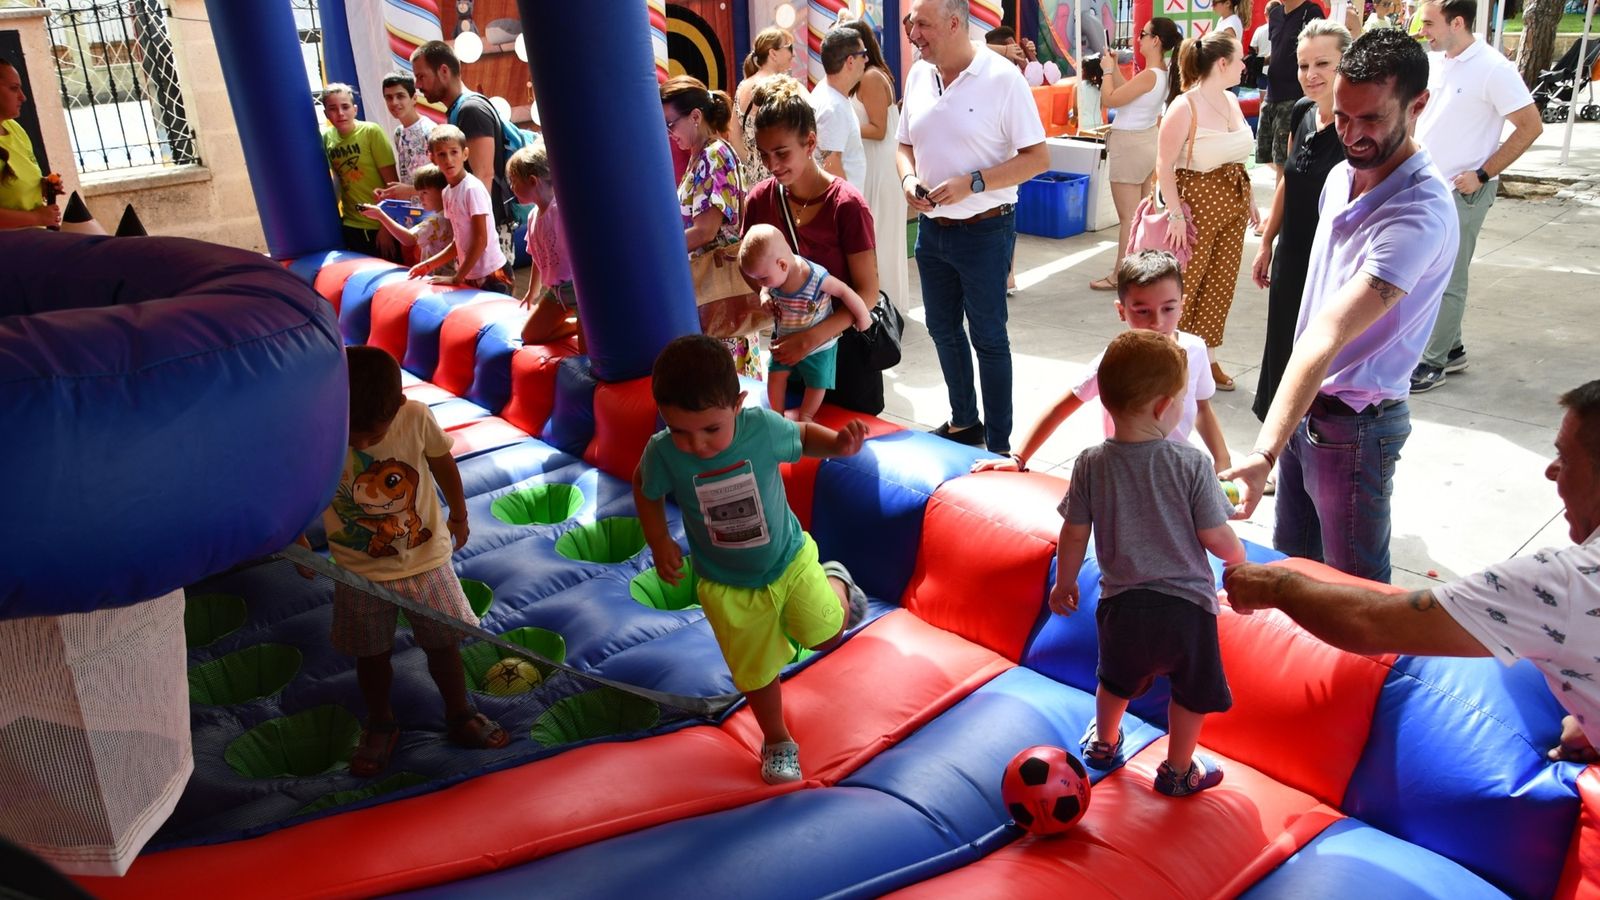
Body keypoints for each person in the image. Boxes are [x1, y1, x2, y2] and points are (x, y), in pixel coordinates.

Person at [1224, 380, 1600, 764]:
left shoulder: (1563, 585)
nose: (1551, 472)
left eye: (1566, 459)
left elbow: (1371, 623)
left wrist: (1277, 586)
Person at [1222, 28, 1459, 584]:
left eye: (1370, 119)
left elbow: (1327, 333)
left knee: (1355, 589)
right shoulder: (1339, 174)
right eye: (1343, 116)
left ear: (1418, 104)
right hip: (1309, 409)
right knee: (1293, 569)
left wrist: (1262, 453)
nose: (1351, 134)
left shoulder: (1417, 213)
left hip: (1356, 428)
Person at [633, 335, 869, 784]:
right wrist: (659, 538)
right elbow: (644, 487)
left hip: (789, 559)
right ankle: (778, 739)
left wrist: (837, 445)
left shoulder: (759, 428)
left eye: (710, 429)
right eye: (679, 430)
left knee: (824, 636)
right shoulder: (664, 453)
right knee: (755, 669)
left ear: (737, 404)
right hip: (727, 585)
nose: (697, 444)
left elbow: (801, 436)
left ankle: (836, 580)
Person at [1050, 329, 1246, 796]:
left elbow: (1073, 531)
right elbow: (1214, 535)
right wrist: (1239, 562)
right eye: (1182, 399)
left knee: (1113, 679)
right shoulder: (1191, 463)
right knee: (1189, 692)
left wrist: (1065, 581)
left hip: (1122, 606)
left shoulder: (1090, 463)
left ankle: (1104, 742)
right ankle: (1178, 770)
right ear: (1163, 407)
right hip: (1188, 609)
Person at [296, 345, 508, 777]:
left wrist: (460, 513)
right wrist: (298, 539)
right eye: (351, 434)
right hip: (358, 570)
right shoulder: (322, 430)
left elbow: (443, 463)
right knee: (370, 655)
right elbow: (297, 490)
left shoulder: (415, 417)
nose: (359, 444)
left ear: (397, 407)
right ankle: (381, 723)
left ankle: (459, 712)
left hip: (426, 560)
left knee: (443, 645)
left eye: (371, 437)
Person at [899, 0, 1049, 454]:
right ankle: (965, 422)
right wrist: (908, 177)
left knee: (988, 337)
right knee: (943, 329)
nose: (913, 34)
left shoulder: (1003, 80)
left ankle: (999, 446)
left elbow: (1038, 158)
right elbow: (903, 142)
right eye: (910, 24)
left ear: (954, 23)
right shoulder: (919, 74)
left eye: (921, 24)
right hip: (933, 232)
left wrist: (975, 183)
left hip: (986, 231)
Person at [976, 250, 1232, 475]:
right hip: (1125, 471)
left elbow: (1202, 409)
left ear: (1182, 306)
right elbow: (1061, 407)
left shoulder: (1195, 350)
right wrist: (1019, 458)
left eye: (1168, 308)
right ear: (1121, 311)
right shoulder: (1114, 362)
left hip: (1178, 469)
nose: (1157, 322)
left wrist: (1223, 461)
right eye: (1142, 311)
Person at [1408, 0, 1542, 394]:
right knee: (1431, 273)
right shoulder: (1439, 61)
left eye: (1429, 23)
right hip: (1429, 187)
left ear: (1458, 22)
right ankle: (1451, 349)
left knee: (1448, 278)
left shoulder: (1493, 68)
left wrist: (1483, 173)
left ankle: (1432, 363)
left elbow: (1529, 126)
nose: (1423, 31)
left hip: (1462, 191)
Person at [744, 77, 885, 414]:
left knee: (847, 459)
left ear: (810, 143)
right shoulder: (759, 201)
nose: (772, 165)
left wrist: (811, 338)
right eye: (764, 155)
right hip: (788, 359)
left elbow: (867, 292)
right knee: (791, 447)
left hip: (844, 357)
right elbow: (749, 268)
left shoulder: (847, 205)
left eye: (781, 153)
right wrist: (764, 292)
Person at [1251, 20, 1352, 422]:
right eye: (1303, 64)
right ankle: (1277, 450)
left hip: (1333, 261)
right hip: (1293, 256)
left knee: (1318, 358)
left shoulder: (1359, 129)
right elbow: (1288, 181)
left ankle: (1307, 445)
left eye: (1323, 64)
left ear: (1348, 63)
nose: (1311, 75)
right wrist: (1266, 242)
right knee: (1282, 348)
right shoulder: (1302, 112)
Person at [1156, 32, 1257, 391]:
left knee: (1220, 286)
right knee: (1186, 287)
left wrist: (1251, 201)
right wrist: (1176, 214)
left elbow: (1238, 158)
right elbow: (1164, 164)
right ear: (1223, 63)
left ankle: (1207, 357)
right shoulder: (1185, 106)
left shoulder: (1231, 100)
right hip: (1195, 207)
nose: (1246, 65)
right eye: (1241, 59)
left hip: (1231, 204)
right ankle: (1170, 359)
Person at [662, 75, 759, 380]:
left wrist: (659, 253)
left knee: (722, 382)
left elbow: (705, 231)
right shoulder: (700, 155)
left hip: (715, 286)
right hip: (705, 284)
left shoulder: (714, 155)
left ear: (695, 117)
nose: (668, 133)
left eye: (671, 123)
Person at [738, 223, 872, 422]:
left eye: (763, 279)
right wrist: (764, 295)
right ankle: (777, 416)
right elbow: (765, 288)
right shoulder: (774, 275)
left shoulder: (816, 277)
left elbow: (844, 291)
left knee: (818, 382)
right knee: (776, 376)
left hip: (819, 346)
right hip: (785, 340)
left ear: (783, 264)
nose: (760, 284)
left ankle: (806, 415)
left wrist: (863, 316)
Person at [1088, 17, 1182, 292]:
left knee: (1129, 216)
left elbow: (1111, 99)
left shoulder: (1152, 74)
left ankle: (1121, 273)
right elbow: (1124, 93)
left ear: (1155, 41)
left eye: (1143, 34)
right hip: (1145, 142)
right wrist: (1114, 68)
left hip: (1129, 143)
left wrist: (1106, 71)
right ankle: (1140, 269)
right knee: (1141, 212)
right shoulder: (1161, 73)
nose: (1138, 38)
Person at [410, 41, 515, 271]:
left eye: (421, 76)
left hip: (489, 232)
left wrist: (479, 236)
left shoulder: (471, 110)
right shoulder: (459, 110)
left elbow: (484, 174)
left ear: (444, 71)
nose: (418, 85)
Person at [840, 18, 910, 316]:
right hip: (873, 164)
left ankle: (884, 306)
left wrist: (843, 126)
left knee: (878, 237)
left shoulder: (869, 77)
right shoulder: (869, 76)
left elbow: (879, 129)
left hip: (880, 167)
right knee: (876, 237)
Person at [408, 125, 511, 292]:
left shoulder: (472, 189)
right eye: (442, 154)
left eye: (454, 152)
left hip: (492, 273)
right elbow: (459, 241)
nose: (448, 159)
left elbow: (480, 239)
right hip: (471, 274)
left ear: (465, 154)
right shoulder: (448, 193)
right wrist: (428, 265)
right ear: (433, 158)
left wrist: (457, 277)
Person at [506, 141, 580, 348]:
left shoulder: (560, 211)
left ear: (532, 181)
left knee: (588, 350)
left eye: (513, 181)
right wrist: (532, 291)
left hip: (578, 289)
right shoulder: (532, 217)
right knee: (530, 335)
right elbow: (537, 257)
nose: (511, 187)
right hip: (556, 292)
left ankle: (587, 324)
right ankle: (575, 325)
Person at [320, 83, 399, 257]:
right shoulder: (327, 138)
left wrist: (386, 227)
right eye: (333, 109)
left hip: (378, 226)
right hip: (351, 225)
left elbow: (392, 185)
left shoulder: (371, 132)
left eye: (345, 107)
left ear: (355, 109)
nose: (340, 113)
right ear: (326, 114)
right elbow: (337, 180)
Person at [1258, 0, 1326, 178]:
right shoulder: (1275, 14)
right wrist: (1258, 62)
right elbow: (1278, 49)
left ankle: (1282, 204)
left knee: (1284, 162)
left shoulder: (1311, 12)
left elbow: (1319, 52)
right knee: (1268, 156)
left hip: (1294, 96)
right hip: (1271, 94)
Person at [358, 163, 454, 270]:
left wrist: (381, 216)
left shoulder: (436, 220)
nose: (420, 197)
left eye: (425, 192)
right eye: (419, 192)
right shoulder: (451, 214)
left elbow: (409, 239)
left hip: (437, 277)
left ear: (443, 192)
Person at [0, 59, 60, 230]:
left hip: (33, 244)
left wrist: (43, 185)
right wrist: (37, 217)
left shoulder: (14, 128)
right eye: (13, 88)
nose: (22, 97)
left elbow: (14, 189)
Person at [734, 27, 797, 188]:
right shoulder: (778, 87)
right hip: (778, 177)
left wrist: (753, 164)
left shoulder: (742, 86)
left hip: (752, 180)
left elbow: (733, 137)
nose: (793, 54)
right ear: (773, 53)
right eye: (789, 48)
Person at [811, 28, 869, 188]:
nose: (867, 59)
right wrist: (850, 205)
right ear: (850, 61)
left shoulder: (832, 95)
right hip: (841, 207)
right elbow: (831, 164)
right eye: (863, 54)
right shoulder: (833, 107)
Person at [382, 72, 433, 186]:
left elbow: (440, 182)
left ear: (414, 98)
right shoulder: (398, 133)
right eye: (389, 98)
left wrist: (406, 191)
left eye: (400, 96)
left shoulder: (430, 130)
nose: (394, 102)